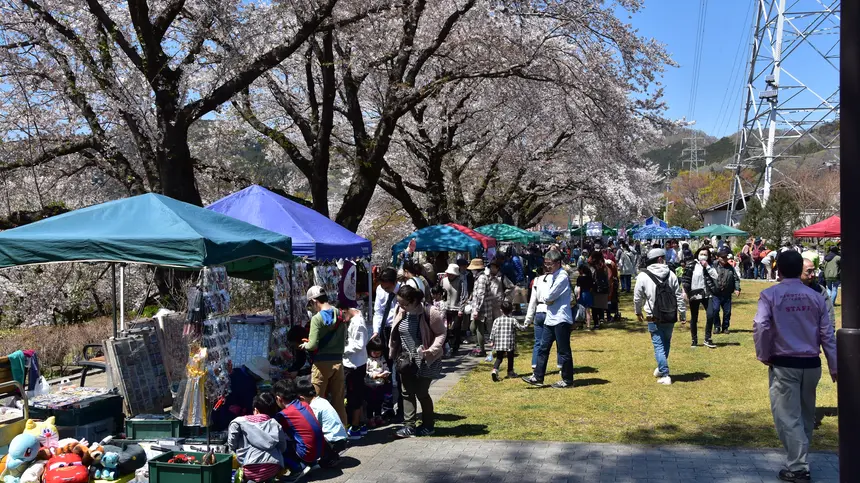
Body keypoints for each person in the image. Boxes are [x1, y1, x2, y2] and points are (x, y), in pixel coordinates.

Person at [753, 251, 837, 483]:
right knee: (806, 415)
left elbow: (761, 324)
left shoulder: (770, 295)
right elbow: (827, 333)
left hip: (784, 363)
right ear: (801, 268)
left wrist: (763, 353)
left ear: (777, 270)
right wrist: (834, 364)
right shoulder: (817, 297)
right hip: (811, 364)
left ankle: (798, 466)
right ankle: (800, 460)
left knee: (787, 417)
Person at [389, 285, 446, 438]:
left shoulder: (430, 312)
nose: (401, 307)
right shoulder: (400, 311)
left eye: (404, 304)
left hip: (427, 360)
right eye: (399, 303)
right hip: (406, 360)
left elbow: (441, 333)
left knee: (421, 392)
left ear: (414, 301)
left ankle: (428, 425)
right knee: (406, 392)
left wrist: (432, 350)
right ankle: (409, 426)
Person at [522, 250, 575, 389]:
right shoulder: (552, 276)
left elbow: (549, 296)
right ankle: (538, 376)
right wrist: (549, 300)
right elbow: (547, 297)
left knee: (563, 351)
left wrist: (549, 300)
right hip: (550, 318)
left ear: (558, 263)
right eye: (545, 264)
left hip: (561, 318)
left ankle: (567, 380)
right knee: (543, 348)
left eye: (550, 264)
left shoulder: (562, 277)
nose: (547, 267)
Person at [634, 248, 687, 385]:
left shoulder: (643, 276)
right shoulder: (672, 274)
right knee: (666, 343)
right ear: (660, 259)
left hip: (653, 316)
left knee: (658, 345)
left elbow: (637, 297)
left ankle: (665, 373)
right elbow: (679, 297)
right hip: (670, 314)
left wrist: (638, 311)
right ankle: (660, 368)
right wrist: (682, 313)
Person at [300, 286, 349, 425]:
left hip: (321, 364)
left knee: (316, 400)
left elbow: (313, 345)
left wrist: (305, 345)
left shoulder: (317, 319)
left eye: (310, 304)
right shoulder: (340, 315)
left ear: (315, 301)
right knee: (338, 400)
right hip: (338, 362)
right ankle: (343, 431)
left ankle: (319, 433)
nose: (311, 307)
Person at [272, 379, 325, 482]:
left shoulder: (284, 414)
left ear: (278, 398)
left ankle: (297, 469)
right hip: (320, 450)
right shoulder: (305, 404)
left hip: (307, 452)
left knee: (277, 444)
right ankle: (311, 463)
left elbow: (275, 434)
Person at [228, 392, 287, 483]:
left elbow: (232, 444)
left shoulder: (238, 422)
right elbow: (283, 447)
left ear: (255, 409)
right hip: (274, 467)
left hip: (249, 468)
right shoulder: (276, 424)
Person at [296, 379, 348, 468]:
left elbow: (313, 426)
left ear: (302, 398)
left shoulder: (313, 407)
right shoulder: (322, 400)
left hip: (333, 441)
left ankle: (330, 456)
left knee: (310, 436)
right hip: (342, 438)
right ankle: (331, 456)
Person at [211, 357, 272, 431]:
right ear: (256, 373)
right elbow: (250, 404)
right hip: (231, 417)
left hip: (221, 412)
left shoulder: (236, 371)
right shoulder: (248, 383)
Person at [470, 259, 514, 357]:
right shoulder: (487, 277)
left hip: (499, 307)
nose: (491, 269)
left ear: (497, 268)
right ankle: (493, 347)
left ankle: (503, 348)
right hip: (488, 306)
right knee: (490, 329)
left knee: (500, 328)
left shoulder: (501, 277)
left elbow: (511, 287)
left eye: (493, 267)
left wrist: (505, 299)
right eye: (490, 267)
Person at [681, 247, 717, 348]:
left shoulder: (710, 265)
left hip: (707, 294)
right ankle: (694, 340)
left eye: (705, 254)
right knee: (694, 317)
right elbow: (685, 279)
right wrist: (684, 292)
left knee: (711, 314)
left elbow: (716, 276)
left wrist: (707, 267)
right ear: (697, 254)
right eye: (701, 254)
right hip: (694, 294)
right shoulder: (692, 265)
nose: (703, 256)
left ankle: (707, 338)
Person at [342, 301, 368, 439]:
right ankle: (360, 424)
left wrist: (343, 351)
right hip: (355, 363)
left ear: (346, 310)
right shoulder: (354, 319)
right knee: (357, 394)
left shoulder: (358, 323)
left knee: (354, 396)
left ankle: (356, 425)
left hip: (354, 364)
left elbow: (359, 344)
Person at [488, 301, 528, 382]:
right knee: (510, 358)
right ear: (511, 310)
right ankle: (510, 372)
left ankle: (495, 370)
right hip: (509, 343)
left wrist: (492, 340)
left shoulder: (497, 320)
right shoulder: (513, 320)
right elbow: (521, 328)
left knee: (499, 358)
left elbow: (493, 331)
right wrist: (526, 325)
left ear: (501, 310)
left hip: (499, 343)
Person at [711, 247, 741, 335]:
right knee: (715, 310)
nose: (724, 259)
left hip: (727, 293)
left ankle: (725, 327)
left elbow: (736, 279)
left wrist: (737, 288)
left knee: (727, 312)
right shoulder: (713, 266)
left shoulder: (730, 268)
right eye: (722, 257)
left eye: (726, 257)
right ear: (718, 257)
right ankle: (717, 326)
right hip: (716, 293)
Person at [524, 267, 550, 370]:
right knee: (556, 341)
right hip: (549, 312)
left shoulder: (537, 281)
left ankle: (535, 364)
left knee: (538, 341)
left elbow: (532, 301)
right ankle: (561, 365)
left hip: (539, 311)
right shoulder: (555, 279)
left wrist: (528, 320)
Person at [364, 336, 391, 428]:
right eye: (374, 352)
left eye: (379, 353)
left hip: (380, 384)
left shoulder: (381, 359)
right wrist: (375, 375)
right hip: (370, 385)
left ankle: (378, 416)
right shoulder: (367, 360)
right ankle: (370, 418)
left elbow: (386, 367)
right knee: (370, 402)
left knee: (379, 401)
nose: (376, 354)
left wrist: (386, 373)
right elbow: (365, 372)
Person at [801, 258, 836, 329]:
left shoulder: (820, 290)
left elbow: (829, 314)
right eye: (809, 271)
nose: (813, 274)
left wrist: (830, 330)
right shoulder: (788, 291)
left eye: (813, 271)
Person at [441, 264, 467, 355]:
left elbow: (463, 296)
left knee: (456, 328)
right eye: (449, 273)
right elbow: (441, 293)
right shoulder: (443, 281)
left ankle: (455, 347)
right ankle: (447, 346)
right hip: (445, 307)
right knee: (445, 328)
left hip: (456, 308)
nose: (450, 275)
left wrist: (461, 309)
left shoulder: (460, 282)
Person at [588, 251, 611, 327]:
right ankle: (601, 319)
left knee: (594, 307)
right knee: (600, 305)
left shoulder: (593, 266)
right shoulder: (604, 265)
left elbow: (591, 277)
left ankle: (596, 323)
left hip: (595, 288)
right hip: (603, 288)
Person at [575, 263, 595, 330]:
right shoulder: (590, 277)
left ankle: (580, 325)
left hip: (582, 294)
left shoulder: (580, 278)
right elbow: (592, 288)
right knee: (588, 311)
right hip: (588, 294)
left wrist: (578, 295)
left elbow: (579, 288)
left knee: (581, 310)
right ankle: (588, 326)